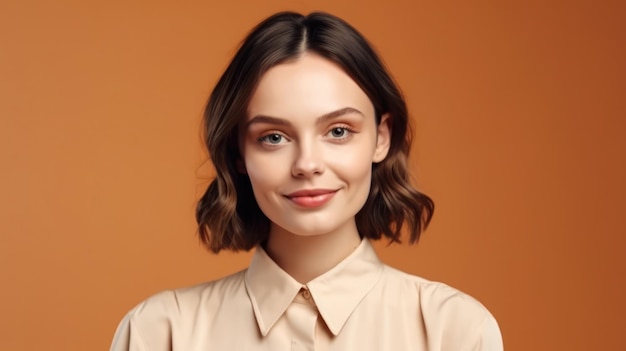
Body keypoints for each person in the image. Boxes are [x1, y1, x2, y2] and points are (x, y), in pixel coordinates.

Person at [110, 11, 503, 351]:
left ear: (381, 137)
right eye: (274, 137)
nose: (307, 165)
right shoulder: (159, 333)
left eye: (338, 131)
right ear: (237, 153)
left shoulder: (454, 331)